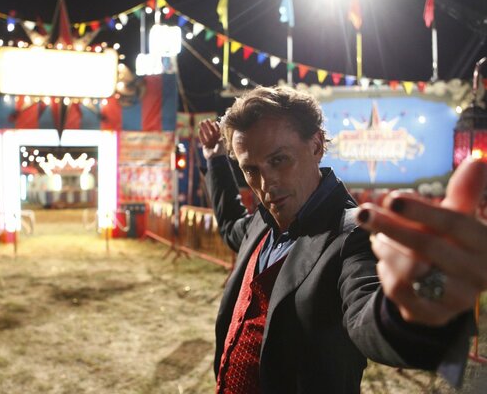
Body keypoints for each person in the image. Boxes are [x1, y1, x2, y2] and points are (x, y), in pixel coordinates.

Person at [198, 85, 487, 394]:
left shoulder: (353, 235)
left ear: (316, 146)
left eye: (279, 160)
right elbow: (230, 226)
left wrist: (412, 310)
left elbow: (367, 317)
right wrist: (215, 159)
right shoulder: (261, 224)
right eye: (251, 170)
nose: (267, 184)